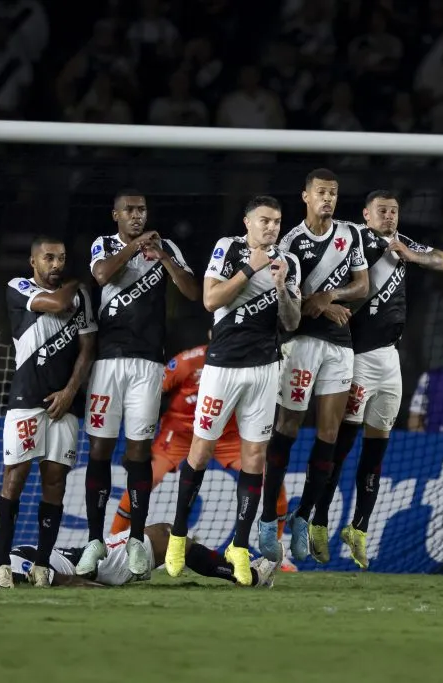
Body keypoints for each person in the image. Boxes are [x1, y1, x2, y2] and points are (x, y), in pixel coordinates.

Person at [308, 189, 443, 569]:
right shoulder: (355, 239)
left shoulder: (402, 244)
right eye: (382, 211)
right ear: (366, 214)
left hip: (392, 359)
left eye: (394, 211)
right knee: (342, 446)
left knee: (378, 447)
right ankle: (319, 521)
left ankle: (359, 527)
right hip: (357, 358)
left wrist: (412, 255)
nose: (389, 217)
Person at [164, 196, 302, 584]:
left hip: (264, 369)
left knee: (255, 456)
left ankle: (239, 546)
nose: (271, 227)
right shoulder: (229, 248)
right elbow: (210, 299)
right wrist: (248, 269)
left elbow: (291, 322)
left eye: (276, 221)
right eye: (264, 220)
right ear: (247, 222)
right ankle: (177, 535)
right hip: (223, 367)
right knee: (201, 449)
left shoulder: (287, 261)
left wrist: (282, 288)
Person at [77, 189, 201, 580]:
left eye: (142, 210)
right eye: (129, 210)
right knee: (99, 448)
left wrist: (162, 255)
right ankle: (96, 538)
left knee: (138, 452)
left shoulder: (166, 248)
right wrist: (134, 249)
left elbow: (194, 292)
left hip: (148, 365)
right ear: (116, 215)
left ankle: (134, 540)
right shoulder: (105, 244)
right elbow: (101, 275)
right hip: (108, 362)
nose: (136, 216)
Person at [108, 332, 296, 571]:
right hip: (180, 435)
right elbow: (153, 390)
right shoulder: (187, 361)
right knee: (145, 478)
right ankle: (113, 541)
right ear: (213, 336)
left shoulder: (249, 362)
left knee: (272, 479)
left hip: (228, 436)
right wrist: (140, 439)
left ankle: (276, 551)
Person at [257, 168, 370, 564]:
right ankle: (269, 518)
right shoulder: (289, 243)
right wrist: (320, 303)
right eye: (321, 192)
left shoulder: (350, 235)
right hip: (301, 343)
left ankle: (303, 516)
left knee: (330, 432)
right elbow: (290, 309)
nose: (328, 198)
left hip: (340, 345)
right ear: (305, 196)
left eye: (333, 193)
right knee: (287, 426)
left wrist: (329, 295)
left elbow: (363, 286)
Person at [0, 236, 97, 588]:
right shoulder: (19, 288)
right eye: (49, 258)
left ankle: (42, 564)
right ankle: (3, 562)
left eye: (62, 258)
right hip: (26, 401)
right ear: (33, 262)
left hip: (63, 407)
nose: (56, 264)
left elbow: (87, 348)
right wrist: (75, 282)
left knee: (55, 482)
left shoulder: (80, 298)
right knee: (16, 477)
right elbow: (55, 303)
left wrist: (71, 392)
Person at [0, 516, 277, 588]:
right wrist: (99, 589)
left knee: (166, 534)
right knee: (168, 536)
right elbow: (52, 580)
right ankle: (248, 577)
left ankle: (241, 574)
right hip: (98, 569)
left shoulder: (1, 561)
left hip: (90, 559)